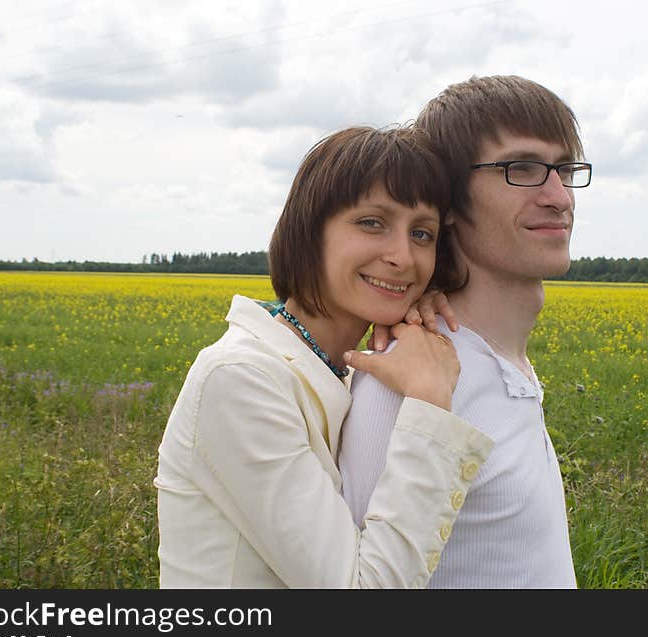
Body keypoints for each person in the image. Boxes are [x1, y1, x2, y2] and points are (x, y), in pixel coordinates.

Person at [154, 126, 495, 588]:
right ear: (310, 231)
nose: (402, 256)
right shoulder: (241, 379)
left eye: (422, 233)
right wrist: (431, 401)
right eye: (372, 222)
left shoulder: (342, 368)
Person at [339, 75, 592, 588]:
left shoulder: (500, 363)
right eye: (521, 168)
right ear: (449, 203)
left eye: (565, 170)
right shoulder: (405, 387)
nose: (559, 196)